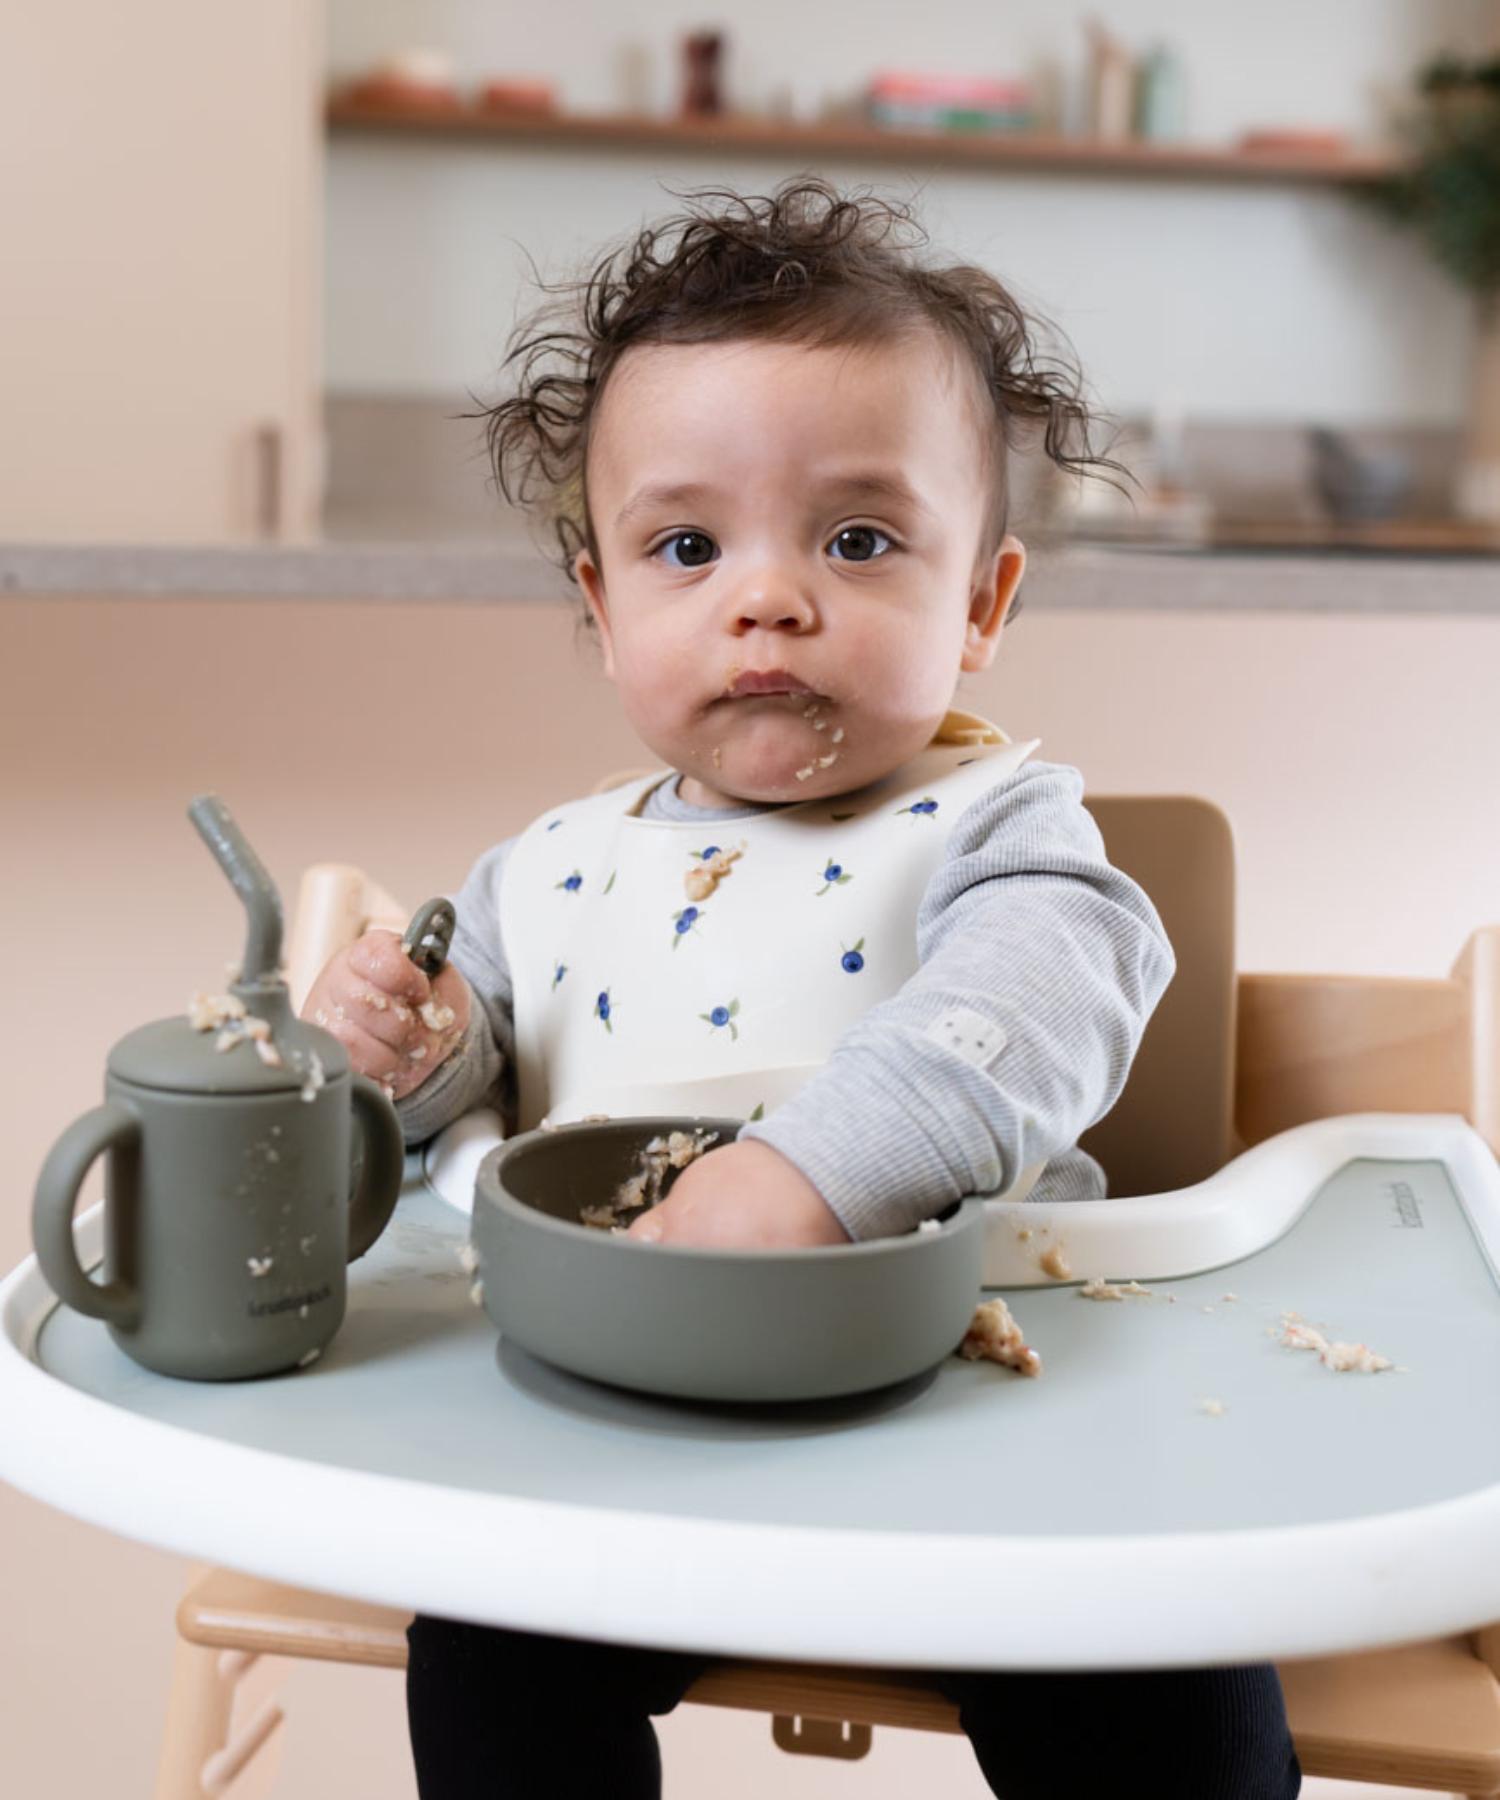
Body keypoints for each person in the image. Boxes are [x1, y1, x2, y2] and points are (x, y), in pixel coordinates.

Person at [303, 178, 1301, 1799]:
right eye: (686, 545)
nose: (766, 597)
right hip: (626, 1428)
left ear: (981, 602)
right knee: (484, 1647)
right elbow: (450, 1101)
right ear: (601, 605)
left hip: (985, 1426)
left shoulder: (1001, 830)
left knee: (1174, 1670)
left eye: (856, 538)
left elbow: (1052, 994)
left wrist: (810, 1171)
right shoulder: (544, 872)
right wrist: (402, 1050)